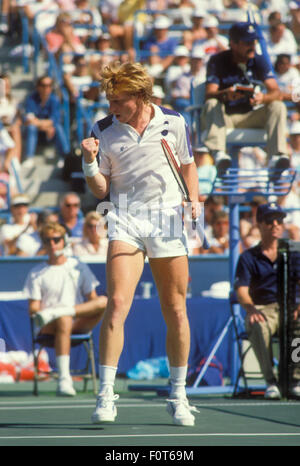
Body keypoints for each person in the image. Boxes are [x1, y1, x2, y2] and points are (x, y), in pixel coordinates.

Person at [81, 61, 200, 426]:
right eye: (110, 99)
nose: (112, 107)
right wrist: (89, 163)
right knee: (116, 304)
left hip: (167, 220)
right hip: (125, 218)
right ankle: (105, 395)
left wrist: (194, 197)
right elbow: (101, 188)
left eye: (119, 100)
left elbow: (188, 165)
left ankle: (178, 396)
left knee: (176, 309)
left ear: (141, 96)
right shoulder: (103, 130)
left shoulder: (174, 122)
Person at [24, 221, 107, 396]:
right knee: (64, 319)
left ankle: (60, 312)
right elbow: (33, 309)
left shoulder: (79, 266)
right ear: (44, 244)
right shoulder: (35, 273)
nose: (52, 244)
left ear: (64, 241)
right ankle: (64, 379)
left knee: (103, 302)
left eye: (56, 239)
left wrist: (66, 311)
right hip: (48, 327)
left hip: (76, 322)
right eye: (47, 241)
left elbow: (93, 301)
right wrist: (44, 314)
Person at [200, 21, 290, 178]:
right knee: (212, 103)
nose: (252, 46)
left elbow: (276, 92)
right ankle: (220, 156)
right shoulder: (217, 60)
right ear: (233, 44)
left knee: (277, 105)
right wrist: (225, 94)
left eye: (253, 41)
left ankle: (277, 157)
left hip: (250, 115)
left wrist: (263, 98)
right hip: (224, 117)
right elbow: (209, 94)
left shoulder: (258, 59)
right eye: (247, 42)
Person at [234, 202, 300, 399]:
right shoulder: (248, 257)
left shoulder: (293, 253)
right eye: (270, 221)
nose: (275, 225)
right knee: (257, 325)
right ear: (260, 225)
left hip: (290, 307)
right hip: (263, 308)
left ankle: (295, 380)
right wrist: (251, 309)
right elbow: (241, 290)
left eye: (279, 221)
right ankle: (271, 382)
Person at [23, 75, 70, 167]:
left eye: (49, 85)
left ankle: (64, 156)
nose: (46, 88)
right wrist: (46, 126)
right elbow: (29, 119)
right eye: (43, 85)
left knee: (58, 128)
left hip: (50, 133)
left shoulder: (54, 100)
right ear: (38, 86)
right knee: (31, 128)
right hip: (38, 132)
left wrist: (40, 123)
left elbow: (54, 120)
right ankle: (29, 157)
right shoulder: (31, 99)